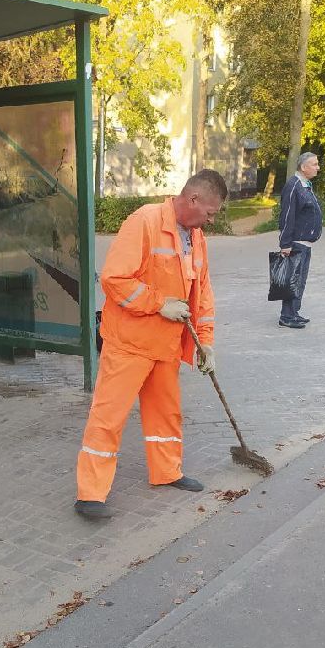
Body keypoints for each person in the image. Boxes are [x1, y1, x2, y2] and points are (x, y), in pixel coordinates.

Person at [75, 169, 228, 520]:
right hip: (129, 343)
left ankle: (167, 472)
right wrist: (160, 303)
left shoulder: (196, 236)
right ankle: (90, 494)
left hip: (167, 345)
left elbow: (202, 295)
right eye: (210, 211)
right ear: (192, 200)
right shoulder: (144, 221)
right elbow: (115, 279)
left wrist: (206, 345)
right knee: (108, 416)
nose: (211, 219)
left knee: (166, 413)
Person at [278, 152, 323, 328]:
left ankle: (294, 312)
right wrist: (285, 244)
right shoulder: (293, 185)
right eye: (315, 164)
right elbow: (287, 216)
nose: (318, 167)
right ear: (304, 167)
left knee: (300, 280)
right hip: (296, 243)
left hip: (305, 243)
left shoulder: (305, 185)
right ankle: (286, 316)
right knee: (292, 279)